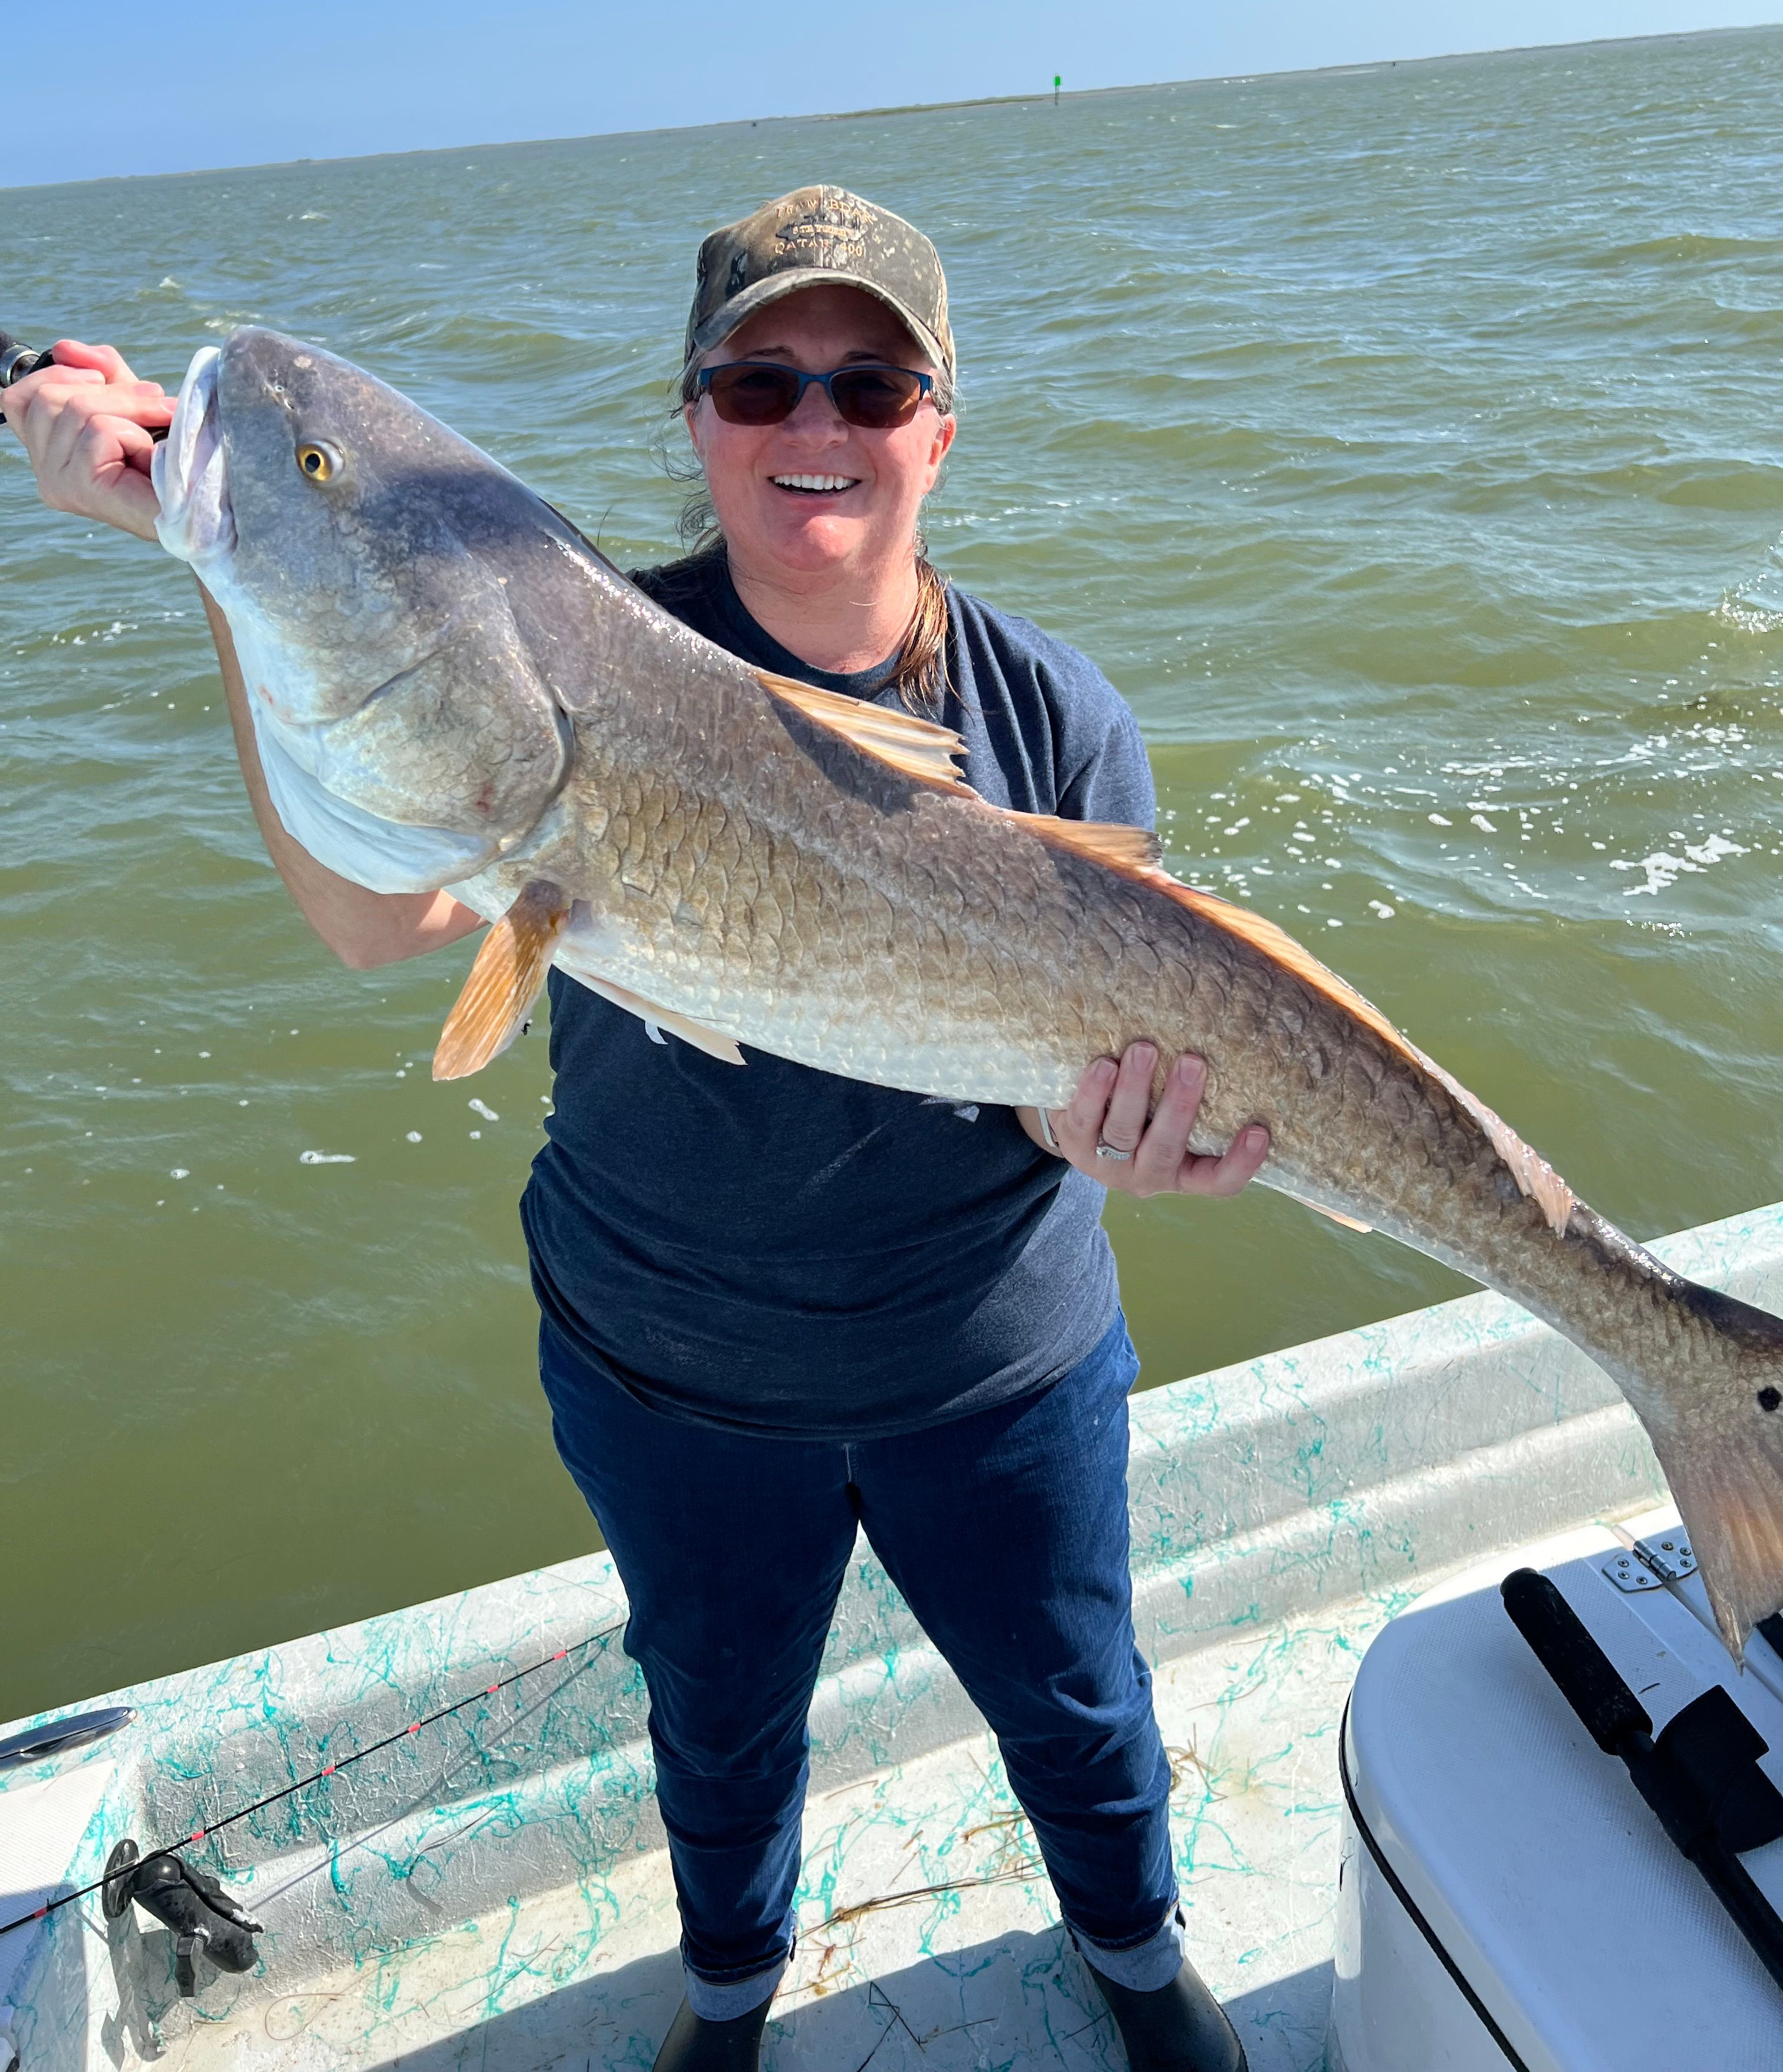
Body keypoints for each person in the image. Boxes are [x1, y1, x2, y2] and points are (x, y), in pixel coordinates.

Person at [8, 185, 1268, 2072]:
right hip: (665, 1367)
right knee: (719, 1719)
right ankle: (730, 1998)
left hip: (990, 1366)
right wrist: (228, 550)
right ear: (696, 417)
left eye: (869, 380)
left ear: (942, 421)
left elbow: (1063, 1078)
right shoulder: (570, 643)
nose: (815, 426)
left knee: (1076, 1702)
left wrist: (1130, 1139)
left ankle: (1142, 1957)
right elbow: (373, 919)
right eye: (762, 381)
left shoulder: (1053, 716)